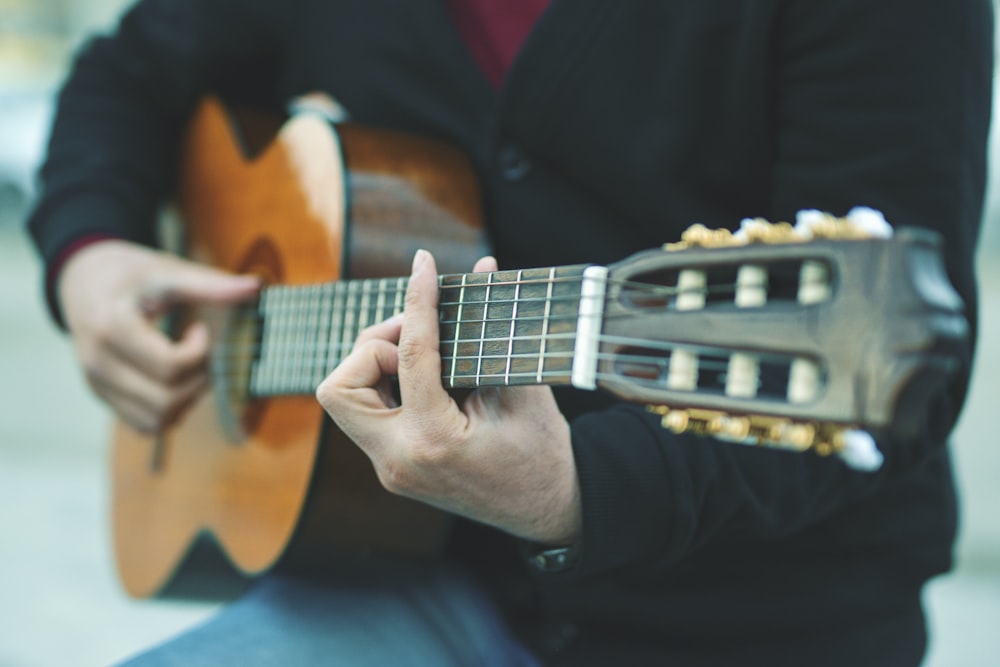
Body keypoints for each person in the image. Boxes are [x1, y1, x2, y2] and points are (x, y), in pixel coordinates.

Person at [27, 0, 993, 665]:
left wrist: (572, 490)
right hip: (390, 580)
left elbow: (896, 369)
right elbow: (127, 74)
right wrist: (90, 254)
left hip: (745, 626)